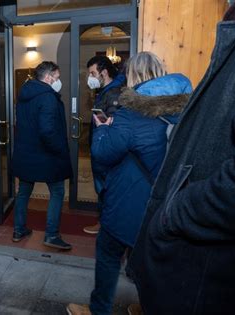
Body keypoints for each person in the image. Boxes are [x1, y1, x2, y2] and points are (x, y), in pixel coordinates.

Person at [127, 1, 235, 314]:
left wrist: (172, 213)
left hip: (194, 265)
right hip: (192, 258)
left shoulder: (132, 106)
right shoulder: (183, 87)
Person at [66, 51, 192, 315]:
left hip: (130, 200)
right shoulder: (188, 110)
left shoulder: (132, 113)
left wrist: (103, 130)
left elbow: (103, 153)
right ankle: (148, 307)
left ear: (133, 76)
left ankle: (99, 310)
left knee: (109, 254)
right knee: (152, 261)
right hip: (169, 202)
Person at [11, 61, 73, 250]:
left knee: (23, 193)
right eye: (57, 77)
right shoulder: (47, 97)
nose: (58, 80)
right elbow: (47, 131)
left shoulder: (23, 94)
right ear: (48, 77)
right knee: (57, 192)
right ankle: (51, 235)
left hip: (26, 154)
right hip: (47, 156)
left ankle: (19, 230)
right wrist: (59, 149)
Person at [84, 56, 125, 235]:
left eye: (93, 73)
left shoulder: (114, 93)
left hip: (107, 150)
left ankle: (106, 225)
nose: (90, 77)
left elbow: (112, 124)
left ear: (104, 72)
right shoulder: (105, 91)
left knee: (106, 189)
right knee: (103, 189)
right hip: (101, 147)